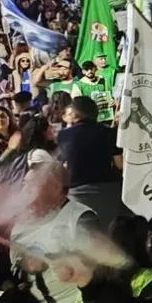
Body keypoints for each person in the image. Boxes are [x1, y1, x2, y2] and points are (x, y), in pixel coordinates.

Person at [57, 96, 125, 231]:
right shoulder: (109, 133)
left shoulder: (64, 135)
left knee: (83, 233)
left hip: (77, 192)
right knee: (107, 232)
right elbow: (120, 164)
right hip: (108, 192)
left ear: (75, 113)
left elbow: (62, 165)